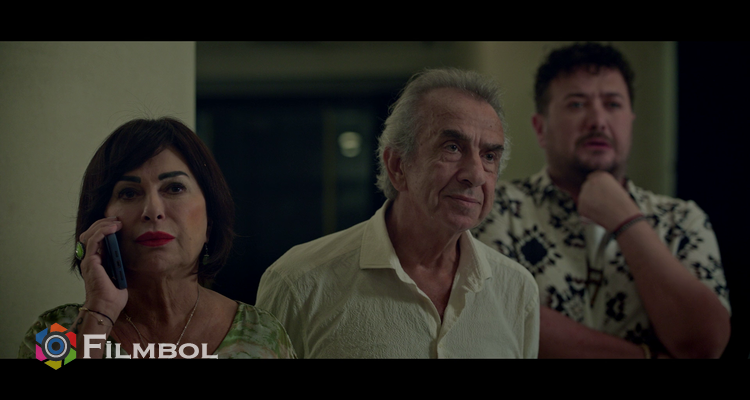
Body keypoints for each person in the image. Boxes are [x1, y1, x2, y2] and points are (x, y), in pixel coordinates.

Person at [256, 68, 540, 358]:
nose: (476, 175)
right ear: (397, 166)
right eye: (452, 148)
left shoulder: (516, 289)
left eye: (489, 156)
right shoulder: (299, 283)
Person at [472, 42, 731, 358]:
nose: (597, 120)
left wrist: (628, 221)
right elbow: (497, 310)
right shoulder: (495, 207)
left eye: (613, 104)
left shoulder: (682, 220)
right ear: (541, 128)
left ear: (630, 121)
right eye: (577, 104)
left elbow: (707, 343)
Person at [19, 117, 295, 360]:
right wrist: (99, 311)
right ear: (98, 222)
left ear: (209, 223)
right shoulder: (54, 335)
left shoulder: (262, 336)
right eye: (129, 193)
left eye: (174, 188)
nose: (152, 210)